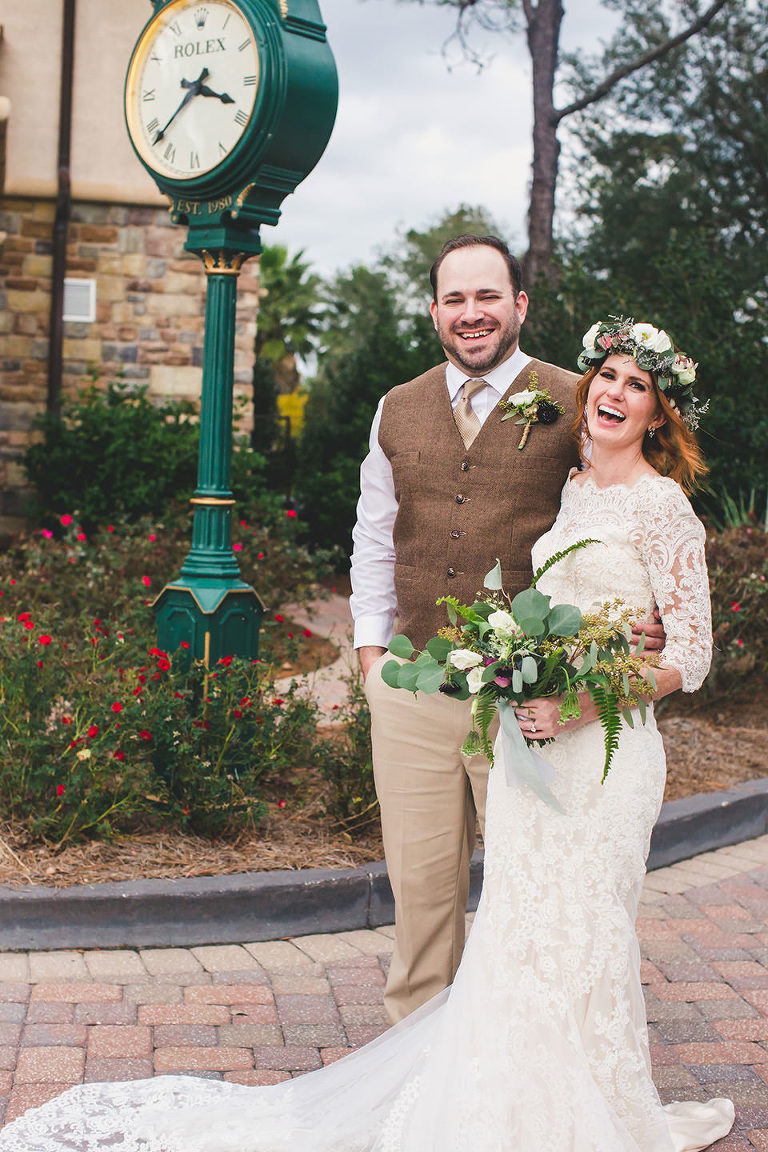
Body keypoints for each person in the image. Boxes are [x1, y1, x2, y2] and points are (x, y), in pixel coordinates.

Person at [0, 315, 734, 1151]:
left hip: (604, 757)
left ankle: (593, 1111)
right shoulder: (570, 488)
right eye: (607, 377)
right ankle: (510, 1109)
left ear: (659, 415)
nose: (615, 393)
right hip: (533, 745)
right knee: (521, 930)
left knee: (590, 930)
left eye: (638, 386)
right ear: (586, 390)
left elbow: (695, 656)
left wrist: (584, 703)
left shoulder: (664, 506)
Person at [351, 234, 663, 1023]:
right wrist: (369, 655)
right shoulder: (397, 407)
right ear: (433, 312)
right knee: (420, 891)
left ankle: (520, 1062)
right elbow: (372, 535)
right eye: (454, 298)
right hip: (412, 688)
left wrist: (642, 615)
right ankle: (416, 1058)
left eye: (488, 295)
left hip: (524, 701)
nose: (471, 313)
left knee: (531, 890)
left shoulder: (577, 400)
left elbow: (628, 505)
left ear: (519, 305)